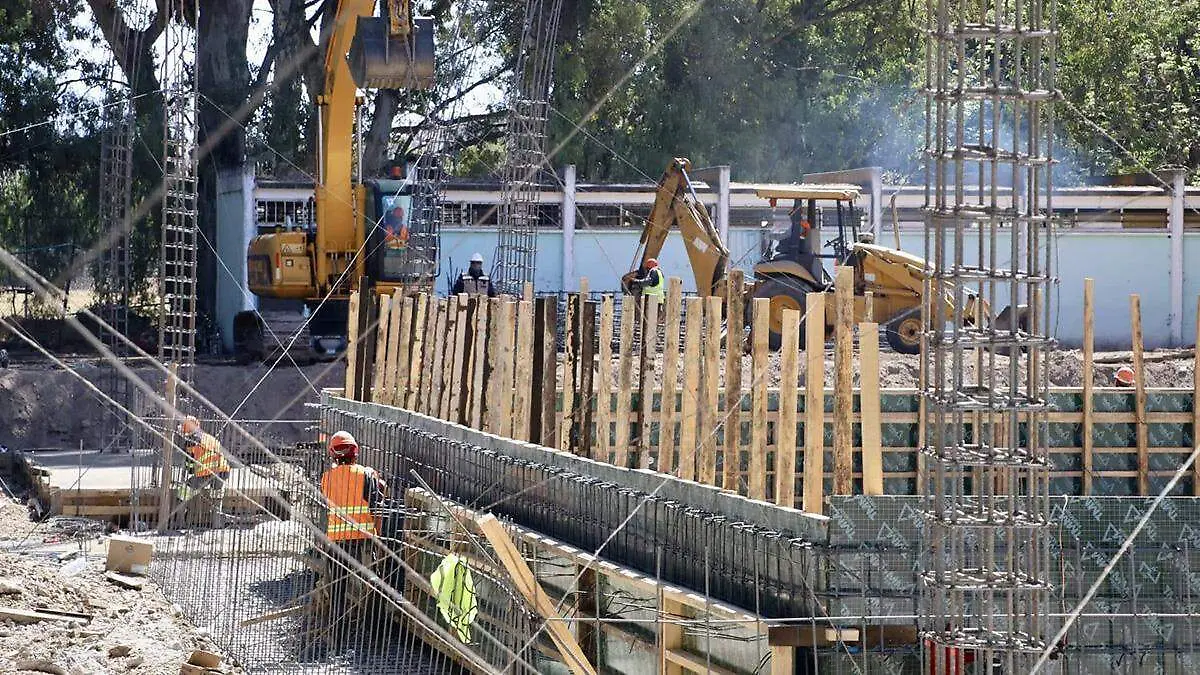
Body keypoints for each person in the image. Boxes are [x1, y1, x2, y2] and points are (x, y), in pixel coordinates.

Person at [319, 431, 388, 627]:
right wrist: (379, 538)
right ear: (355, 452)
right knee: (372, 584)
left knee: (338, 589)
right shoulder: (366, 475)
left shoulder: (326, 478)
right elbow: (377, 509)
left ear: (332, 454)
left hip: (337, 542)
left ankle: (337, 630)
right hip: (363, 540)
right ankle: (371, 629)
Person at [178, 415, 231, 528]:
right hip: (223, 471)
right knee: (217, 498)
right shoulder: (209, 437)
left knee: (182, 493)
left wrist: (189, 470)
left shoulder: (190, 442)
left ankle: (180, 522)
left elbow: (190, 467)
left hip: (205, 473)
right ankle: (217, 525)